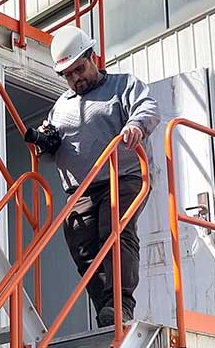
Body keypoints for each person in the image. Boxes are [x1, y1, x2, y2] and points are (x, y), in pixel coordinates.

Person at [25, 25, 159, 327]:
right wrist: (46, 141)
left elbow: (148, 107)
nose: (76, 78)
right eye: (68, 75)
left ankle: (120, 306)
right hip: (80, 188)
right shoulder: (61, 107)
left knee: (115, 230)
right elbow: (51, 147)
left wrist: (136, 125)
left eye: (79, 69)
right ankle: (107, 312)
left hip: (123, 176)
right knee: (81, 245)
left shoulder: (123, 85)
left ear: (92, 56)